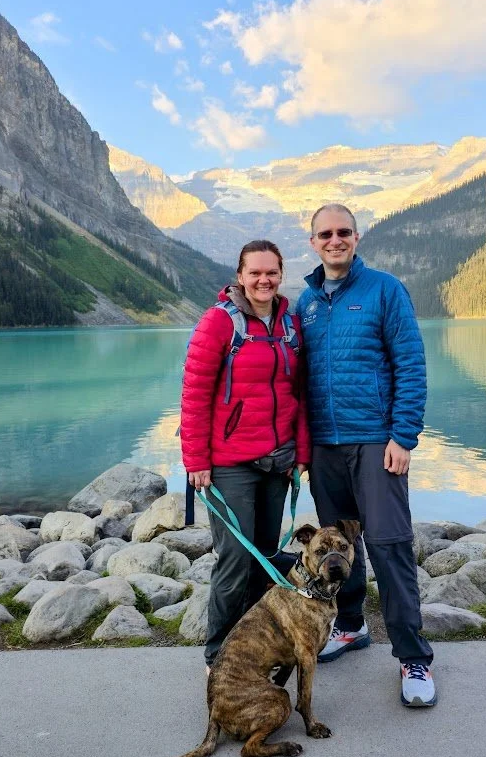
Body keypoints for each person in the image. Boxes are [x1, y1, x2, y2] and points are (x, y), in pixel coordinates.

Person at [296, 203, 436, 708]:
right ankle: (351, 626)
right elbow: (296, 380)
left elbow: (411, 365)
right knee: (337, 546)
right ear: (312, 242)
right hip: (325, 449)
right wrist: (301, 446)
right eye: (325, 234)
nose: (335, 240)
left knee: (390, 544)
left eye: (344, 232)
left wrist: (403, 436)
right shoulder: (306, 303)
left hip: (377, 442)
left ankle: (413, 657)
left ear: (356, 238)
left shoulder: (384, 291)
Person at [180, 239, 310, 672]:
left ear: (280, 274)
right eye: (254, 272)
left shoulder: (289, 324)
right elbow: (195, 394)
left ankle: (255, 651)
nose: (263, 280)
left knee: (266, 558)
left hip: (277, 461)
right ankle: (218, 656)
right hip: (230, 462)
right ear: (239, 276)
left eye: (271, 272)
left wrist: (300, 453)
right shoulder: (220, 323)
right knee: (236, 559)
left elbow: (298, 395)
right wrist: (196, 459)